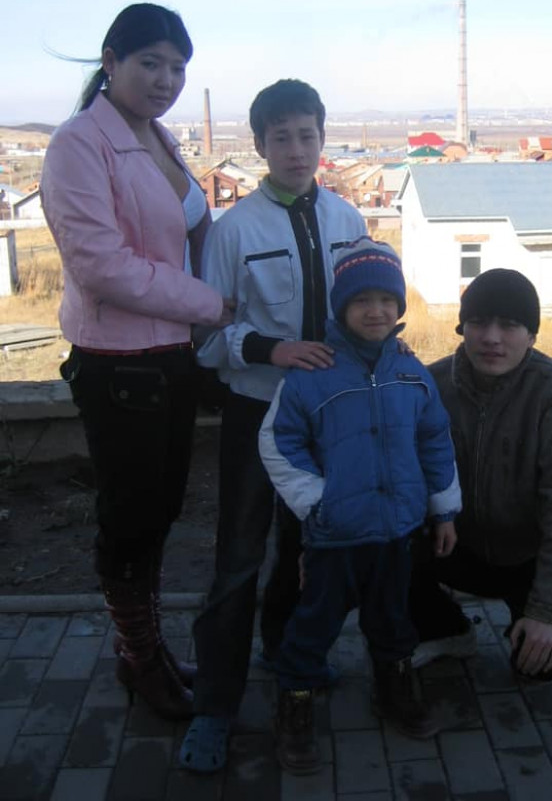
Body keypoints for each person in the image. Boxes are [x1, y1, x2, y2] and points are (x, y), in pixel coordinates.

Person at [40, 3, 233, 720]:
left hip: (171, 355)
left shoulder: (156, 136)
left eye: (178, 67)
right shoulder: (77, 145)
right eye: (150, 62)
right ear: (111, 60)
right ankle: (139, 659)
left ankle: (146, 648)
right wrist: (211, 304)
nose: (166, 80)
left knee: (160, 512)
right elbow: (102, 266)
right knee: (130, 519)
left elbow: (184, 232)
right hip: (121, 364)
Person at [179, 79, 366, 773]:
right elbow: (206, 338)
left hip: (325, 417)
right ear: (259, 145)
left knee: (304, 548)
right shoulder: (234, 231)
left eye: (306, 135)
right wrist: (272, 350)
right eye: (280, 137)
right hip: (256, 414)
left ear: (322, 138)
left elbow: (367, 308)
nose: (296, 149)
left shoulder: (348, 219)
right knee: (238, 558)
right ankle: (215, 706)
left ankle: (288, 656)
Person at [258, 238, 461, 774]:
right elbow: (277, 441)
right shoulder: (312, 373)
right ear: (341, 307)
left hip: (396, 532)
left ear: (400, 306)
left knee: (393, 620)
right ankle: (294, 703)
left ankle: (393, 688)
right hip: (335, 535)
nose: (376, 311)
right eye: (362, 300)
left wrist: (443, 508)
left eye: (387, 300)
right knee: (314, 625)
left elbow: (435, 439)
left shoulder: (412, 373)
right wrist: (315, 501)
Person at [407, 269, 552, 682]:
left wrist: (550, 610)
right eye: (478, 322)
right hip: (450, 545)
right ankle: (446, 629)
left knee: (545, 664)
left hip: (525, 558)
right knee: (383, 552)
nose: (491, 338)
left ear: (531, 335)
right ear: (462, 328)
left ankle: (530, 618)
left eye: (509, 325)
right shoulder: (429, 386)